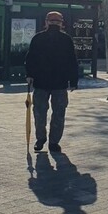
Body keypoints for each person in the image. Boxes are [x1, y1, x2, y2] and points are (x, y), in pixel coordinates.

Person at [25, 11, 79, 154]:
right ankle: (54, 142)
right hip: (59, 82)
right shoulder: (66, 39)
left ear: (46, 22)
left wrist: (29, 75)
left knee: (40, 113)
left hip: (41, 82)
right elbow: (72, 61)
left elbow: (30, 58)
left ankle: (41, 139)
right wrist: (73, 80)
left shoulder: (38, 38)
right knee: (58, 114)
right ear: (62, 24)